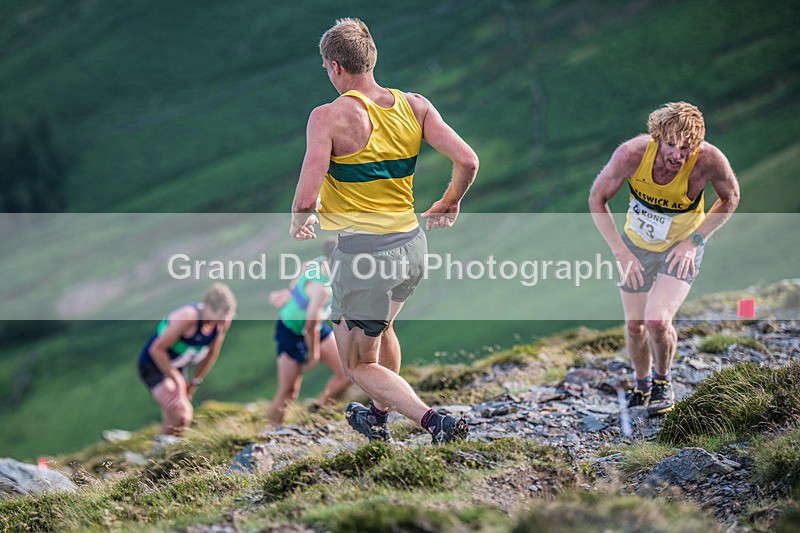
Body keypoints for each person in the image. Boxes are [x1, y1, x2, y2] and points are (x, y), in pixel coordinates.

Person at [289, 18, 479, 443]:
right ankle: (376, 415)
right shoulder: (415, 105)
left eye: (326, 68)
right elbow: (467, 161)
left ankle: (435, 422)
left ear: (336, 66)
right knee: (382, 330)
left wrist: (302, 217)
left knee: (357, 365)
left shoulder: (328, 117)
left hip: (364, 257)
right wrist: (450, 202)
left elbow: (305, 199)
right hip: (412, 246)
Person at [589, 102, 740, 415]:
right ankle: (642, 385)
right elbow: (597, 198)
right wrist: (621, 252)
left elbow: (731, 198)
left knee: (657, 319)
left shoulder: (709, 160)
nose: (677, 155)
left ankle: (663, 381)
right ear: (656, 137)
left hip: (679, 251)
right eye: (671, 144)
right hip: (635, 247)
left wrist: (693, 243)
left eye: (687, 147)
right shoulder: (631, 154)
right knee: (635, 327)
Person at [267, 239, 352, 425]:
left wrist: (289, 294)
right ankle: (274, 430)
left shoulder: (317, 263)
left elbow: (295, 285)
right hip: (292, 329)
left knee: (347, 374)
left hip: (315, 326)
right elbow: (309, 326)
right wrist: (313, 354)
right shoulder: (322, 289)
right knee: (289, 391)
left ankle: (319, 412)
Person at [137, 282, 236, 435]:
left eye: (227, 318)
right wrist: (177, 379)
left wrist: (195, 381)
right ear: (207, 308)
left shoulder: (221, 323)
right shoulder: (186, 318)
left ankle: (162, 452)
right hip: (153, 365)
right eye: (220, 318)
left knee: (175, 419)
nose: (223, 323)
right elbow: (156, 350)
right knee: (182, 415)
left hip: (177, 366)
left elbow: (211, 353)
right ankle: (159, 454)